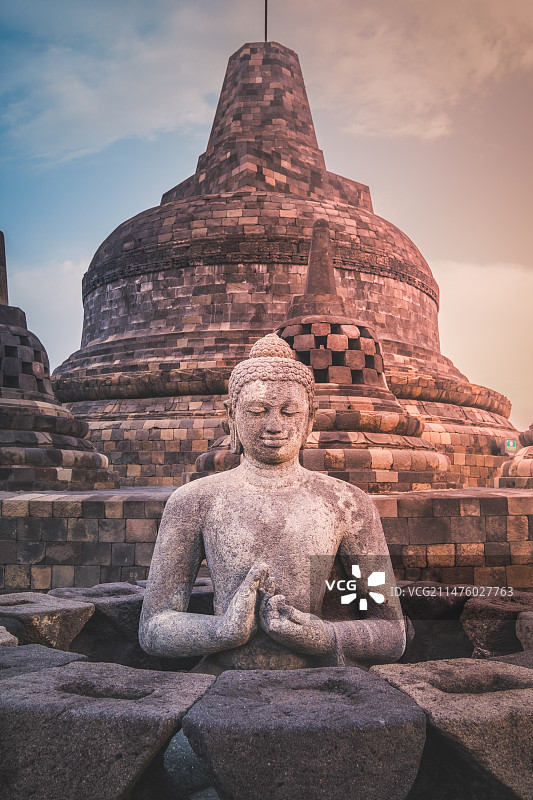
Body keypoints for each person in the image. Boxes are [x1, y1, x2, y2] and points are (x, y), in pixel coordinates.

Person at [139, 334, 405, 673]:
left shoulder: (347, 505)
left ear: (309, 419)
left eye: (288, 411)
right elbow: (153, 628)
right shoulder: (194, 501)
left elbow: (390, 631)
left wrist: (326, 637)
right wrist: (220, 631)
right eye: (257, 411)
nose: (273, 426)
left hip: (319, 684)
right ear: (231, 417)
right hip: (223, 684)